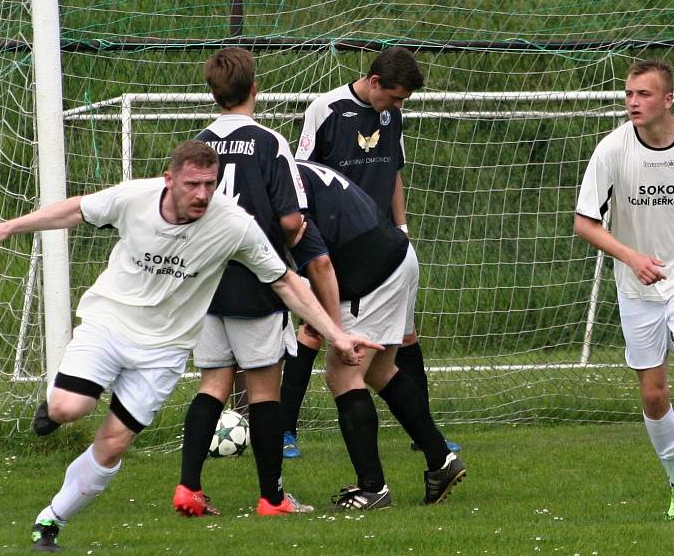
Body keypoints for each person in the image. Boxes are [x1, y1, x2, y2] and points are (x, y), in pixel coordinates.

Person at [0, 140, 381, 552]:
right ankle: (53, 405)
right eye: (192, 184)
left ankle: (50, 522)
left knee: (114, 443)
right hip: (111, 321)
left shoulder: (233, 225)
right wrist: (10, 226)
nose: (201, 194)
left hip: (164, 351)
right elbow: (76, 209)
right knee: (67, 410)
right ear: (169, 179)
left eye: (209, 185)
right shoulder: (134, 198)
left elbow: (286, 282)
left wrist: (338, 336)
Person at [280, 46, 461, 458]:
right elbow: (301, 176)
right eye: (394, 97)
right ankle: (285, 430)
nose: (396, 105)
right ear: (375, 82)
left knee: (398, 342)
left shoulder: (391, 114)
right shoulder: (325, 109)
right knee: (315, 332)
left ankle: (424, 438)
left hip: (384, 248)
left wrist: (402, 227)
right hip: (340, 245)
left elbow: (393, 172)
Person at [574, 60, 674, 521]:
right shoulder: (611, 150)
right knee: (652, 395)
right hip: (638, 283)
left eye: (643, 95)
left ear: (668, 100)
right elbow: (584, 223)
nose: (632, 102)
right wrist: (633, 258)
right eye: (628, 94)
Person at [173, 47, 312, 518]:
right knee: (263, 392)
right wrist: (298, 234)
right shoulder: (270, 142)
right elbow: (291, 220)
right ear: (255, 88)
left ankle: (188, 488)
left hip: (206, 283)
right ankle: (273, 498)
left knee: (212, 384)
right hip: (257, 283)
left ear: (213, 92)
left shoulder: (197, 144)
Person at [291, 159, 466, 509]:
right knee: (380, 371)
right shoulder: (293, 170)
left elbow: (321, 263)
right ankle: (440, 461)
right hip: (396, 257)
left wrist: (334, 329)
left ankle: (372, 488)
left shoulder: (277, 184)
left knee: (343, 374)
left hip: (372, 273)